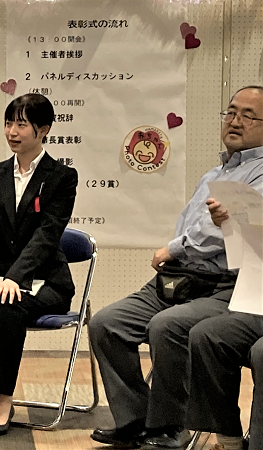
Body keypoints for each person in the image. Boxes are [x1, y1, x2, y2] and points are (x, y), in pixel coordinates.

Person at [89, 85, 263, 450]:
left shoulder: (260, 173)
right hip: (179, 276)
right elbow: (195, 225)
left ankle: (172, 426)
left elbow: (220, 235)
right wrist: (178, 251)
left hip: (223, 283)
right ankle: (136, 418)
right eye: (231, 112)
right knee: (106, 323)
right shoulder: (213, 173)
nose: (235, 121)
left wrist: (174, 247)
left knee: (167, 326)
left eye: (248, 116)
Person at [0, 93, 77, 437]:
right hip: (1, 281)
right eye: (9, 123)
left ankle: (3, 400)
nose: (12, 131)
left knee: (7, 308)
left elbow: (47, 235)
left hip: (47, 282)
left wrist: (14, 277)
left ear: (44, 130)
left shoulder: (62, 177)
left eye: (22, 124)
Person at [186, 136, 263, 450]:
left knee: (262, 353)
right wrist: (230, 223)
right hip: (258, 296)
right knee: (207, 335)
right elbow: (252, 246)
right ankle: (230, 441)